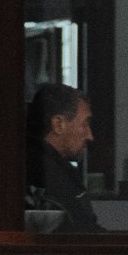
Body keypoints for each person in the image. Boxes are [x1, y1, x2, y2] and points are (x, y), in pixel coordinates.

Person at [26, 83, 102, 233]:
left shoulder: (29, 163)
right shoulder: (48, 175)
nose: (90, 136)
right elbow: (83, 234)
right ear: (58, 125)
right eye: (85, 124)